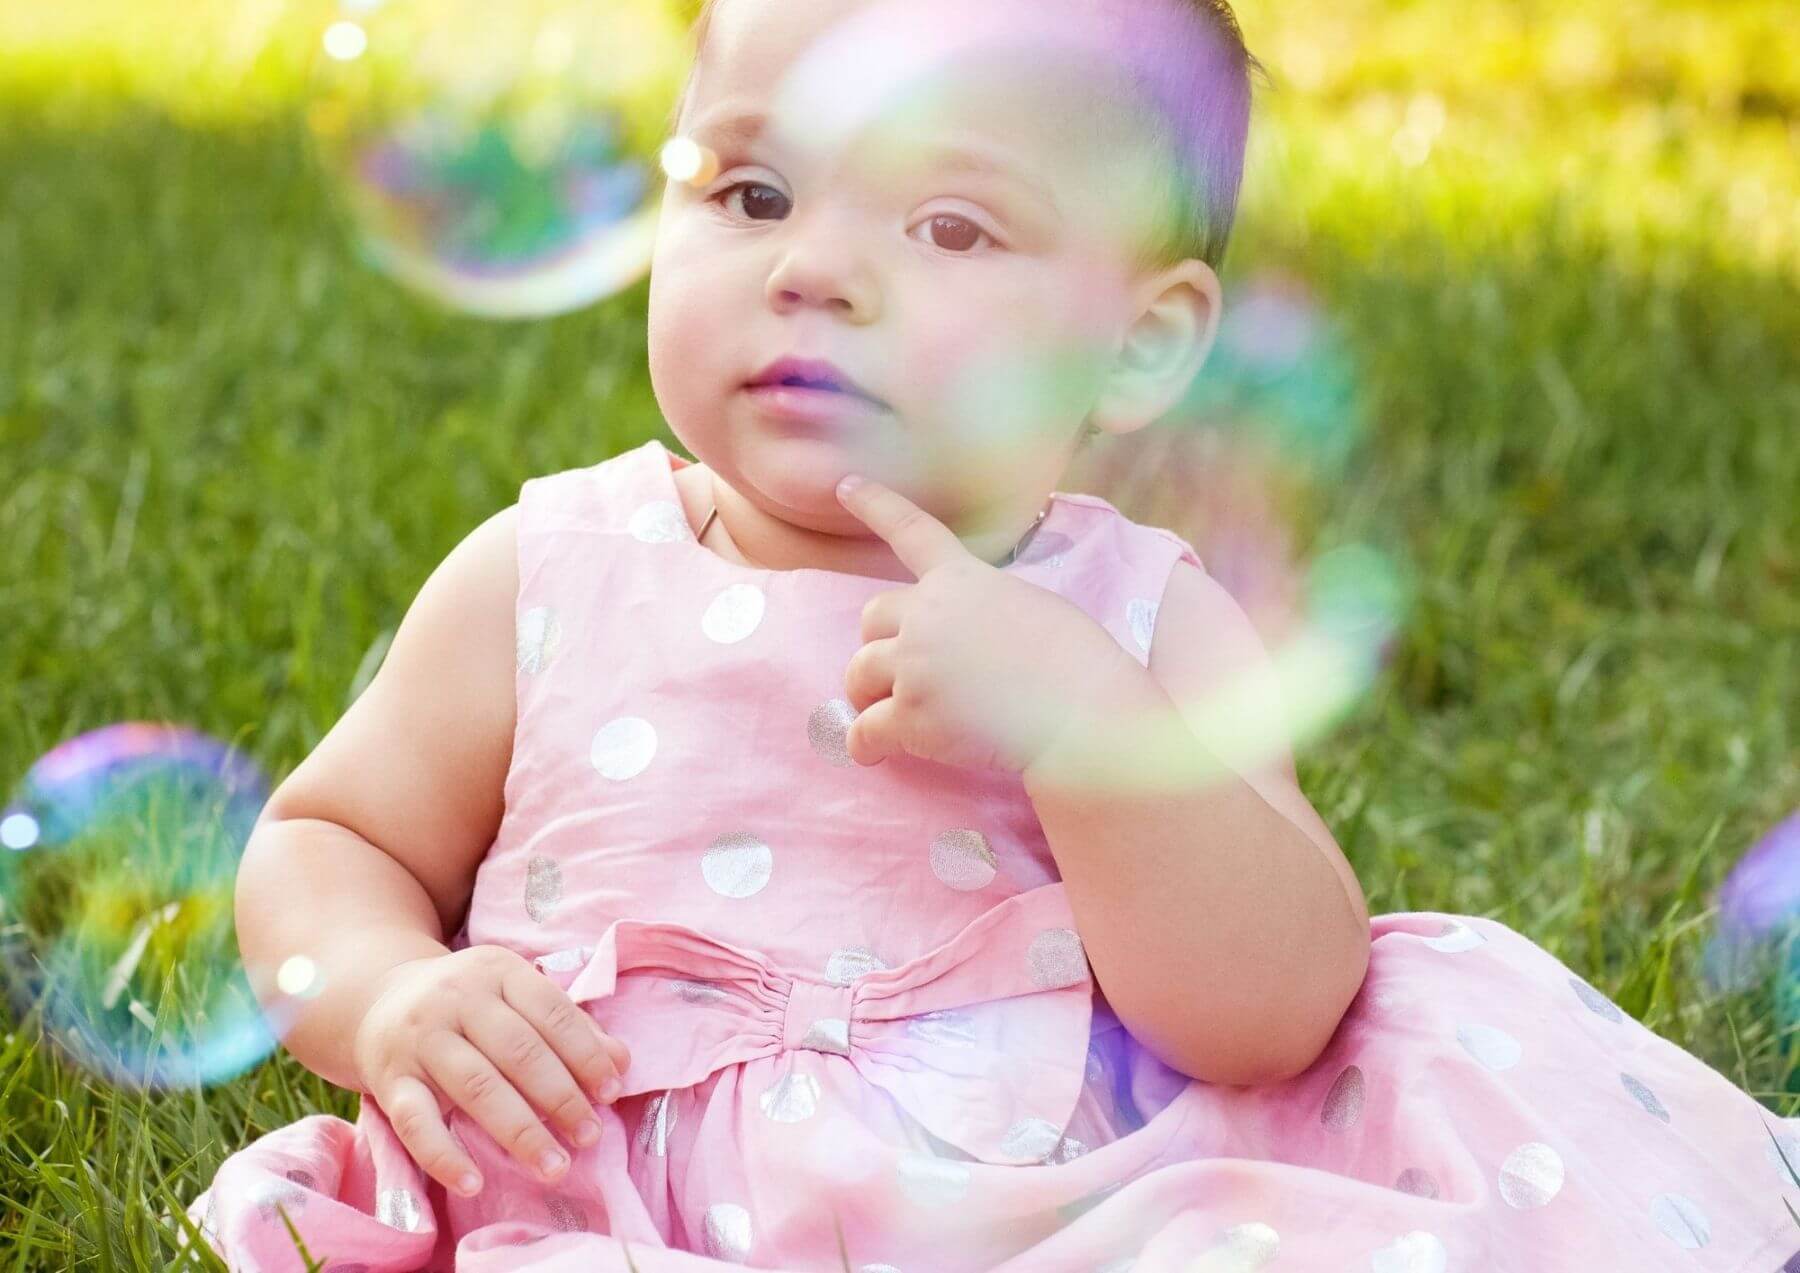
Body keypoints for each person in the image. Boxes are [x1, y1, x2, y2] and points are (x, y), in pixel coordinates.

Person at [184, 0, 1800, 1267]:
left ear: (1139, 341)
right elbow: (331, 836)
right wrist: (393, 990)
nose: (817, 269)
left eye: (951, 227)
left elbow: (1282, 1001)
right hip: (631, 1201)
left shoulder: (1143, 615)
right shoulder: (545, 572)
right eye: (754, 189)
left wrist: (1082, 728)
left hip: (1066, 1213)